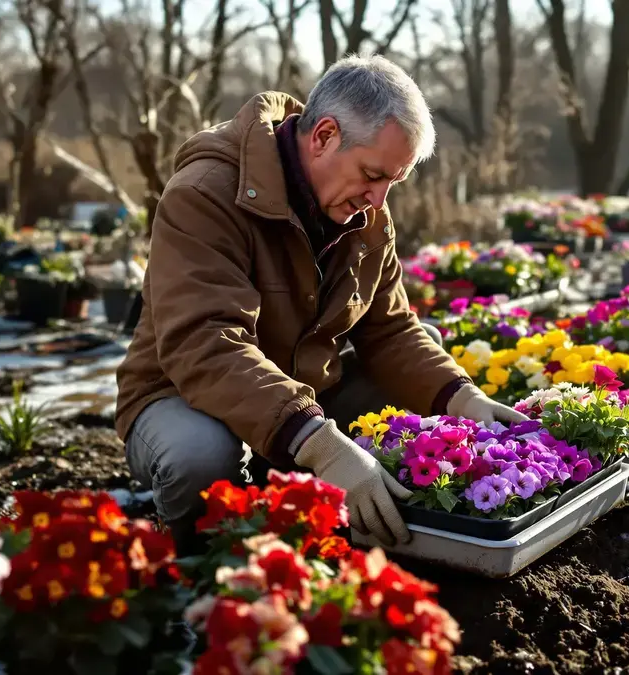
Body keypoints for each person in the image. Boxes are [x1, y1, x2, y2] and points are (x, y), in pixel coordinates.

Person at [114, 55, 526, 555]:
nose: (378, 200)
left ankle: (326, 511)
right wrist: (321, 445)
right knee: (200, 456)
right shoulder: (206, 194)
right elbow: (206, 345)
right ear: (324, 135)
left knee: (426, 375)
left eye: (392, 181)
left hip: (297, 397)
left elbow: (389, 329)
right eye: (373, 174)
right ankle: (203, 576)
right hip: (181, 395)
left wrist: (465, 400)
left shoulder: (365, 211)